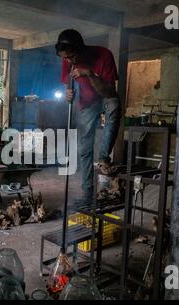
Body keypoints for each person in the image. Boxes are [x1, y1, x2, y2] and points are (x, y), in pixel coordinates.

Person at [56, 29, 122, 208]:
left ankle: (103, 157)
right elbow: (67, 85)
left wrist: (89, 74)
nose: (69, 61)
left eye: (71, 56)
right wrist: (67, 94)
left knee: (114, 105)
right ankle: (87, 193)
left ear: (80, 49)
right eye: (65, 58)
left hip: (104, 95)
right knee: (84, 147)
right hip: (86, 102)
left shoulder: (104, 55)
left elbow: (110, 91)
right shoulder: (66, 60)